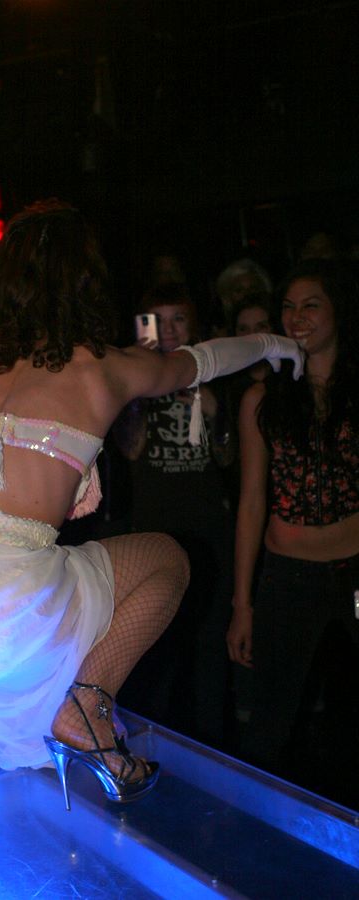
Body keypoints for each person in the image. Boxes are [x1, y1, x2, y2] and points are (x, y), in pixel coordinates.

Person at [0, 200, 302, 809]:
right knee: (169, 561)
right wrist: (270, 342)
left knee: (11, 607)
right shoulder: (105, 369)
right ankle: (86, 706)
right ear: (88, 282)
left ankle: (28, 733)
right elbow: (200, 363)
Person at [226, 259, 359, 784]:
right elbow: (251, 502)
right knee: (270, 720)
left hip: (354, 570)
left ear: (337, 311)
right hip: (289, 575)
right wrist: (242, 603)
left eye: (310, 305)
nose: (297, 317)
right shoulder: (264, 398)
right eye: (288, 307)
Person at [113, 283, 235, 747]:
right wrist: (142, 388)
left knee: (208, 644)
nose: (168, 330)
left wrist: (216, 415)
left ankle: (213, 747)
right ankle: (153, 744)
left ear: (194, 325)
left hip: (208, 530)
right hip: (155, 531)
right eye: (157, 321)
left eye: (178, 319)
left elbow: (228, 459)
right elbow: (131, 449)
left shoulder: (215, 376)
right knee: (155, 644)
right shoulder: (135, 382)